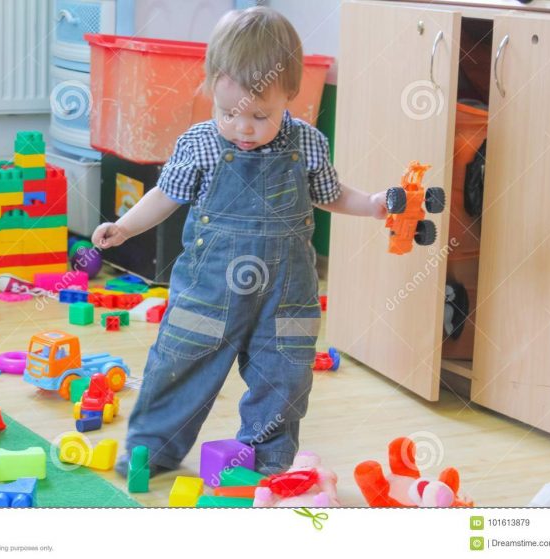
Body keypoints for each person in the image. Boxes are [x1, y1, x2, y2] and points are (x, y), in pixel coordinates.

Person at [92, 6, 388, 477]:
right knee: (179, 363)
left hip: (285, 298)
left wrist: (372, 204)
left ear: (290, 94)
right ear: (212, 89)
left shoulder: (308, 143)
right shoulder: (201, 143)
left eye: (259, 115)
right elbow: (166, 195)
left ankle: (267, 462)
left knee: (285, 377)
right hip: (209, 293)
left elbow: (331, 195)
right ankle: (152, 450)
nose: (242, 127)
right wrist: (125, 226)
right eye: (228, 112)